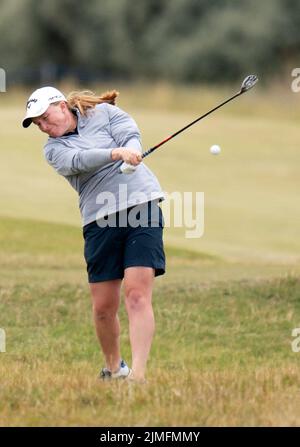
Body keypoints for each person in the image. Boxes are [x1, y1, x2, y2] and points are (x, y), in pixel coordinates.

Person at [22, 86, 165, 383]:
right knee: (103, 308)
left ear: (62, 106)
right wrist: (116, 153)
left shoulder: (104, 113)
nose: (45, 127)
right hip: (100, 220)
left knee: (137, 295)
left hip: (141, 205)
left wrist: (133, 149)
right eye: (38, 125)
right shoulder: (53, 150)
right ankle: (114, 369)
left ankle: (138, 378)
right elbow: (80, 161)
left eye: (46, 118)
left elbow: (129, 132)